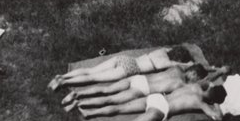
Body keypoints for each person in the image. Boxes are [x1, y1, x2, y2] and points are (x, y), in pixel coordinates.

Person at [93, 80, 228, 121]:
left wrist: (211, 85)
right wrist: (215, 104)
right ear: (212, 99)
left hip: (157, 96)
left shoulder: (195, 86)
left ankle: (91, 113)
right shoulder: (200, 103)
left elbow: (208, 82)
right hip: (161, 108)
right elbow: (218, 117)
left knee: (120, 108)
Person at [67, 62, 228, 111]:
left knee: (106, 90)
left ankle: (77, 95)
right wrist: (219, 71)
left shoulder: (177, 68)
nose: (195, 79)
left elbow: (196, 67)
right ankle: (78, 103)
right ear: (194, 75)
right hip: (142, 89)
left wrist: (216, 69)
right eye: (196, 76)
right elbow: (204, 81)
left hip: (138, 79)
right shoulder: (183, 84)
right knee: (111, 101)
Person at [49, 45, 196, 90]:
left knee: (90, 71)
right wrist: (188, 64)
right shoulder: (168, 63)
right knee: (93, 77)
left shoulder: (162, 51)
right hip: (130, 69)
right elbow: (181, 65)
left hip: (125, 59)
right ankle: (63, 82)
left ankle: (63, 76)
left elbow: (169, 48)